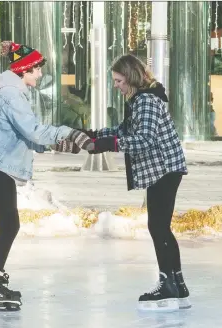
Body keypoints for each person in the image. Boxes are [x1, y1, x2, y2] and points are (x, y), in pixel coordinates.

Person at [0, 41, 93, 312]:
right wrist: (65, 134)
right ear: (24, 69)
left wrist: (53, 144)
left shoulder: (8, 92)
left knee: (9, 226)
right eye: (37, 69)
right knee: (9, 226)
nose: (40, 75)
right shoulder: (11, 95)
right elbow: (33, 131)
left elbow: (22, 134)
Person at [86, 54, 190, 311]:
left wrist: (109, 144)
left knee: (158, 227)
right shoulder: (140, 100)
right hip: (165, 168)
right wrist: (94, 136)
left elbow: (144, 139)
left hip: (164, 169)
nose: (116, 85)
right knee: (161, 227)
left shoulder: (147, 101)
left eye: (118, 80)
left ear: (131, 78)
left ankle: (169, 283)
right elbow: (124, 131)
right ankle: (177, 284)